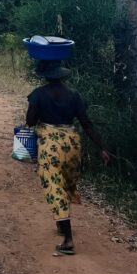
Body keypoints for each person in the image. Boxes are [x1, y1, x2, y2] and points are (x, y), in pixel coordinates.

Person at [25, 62, 110, 256]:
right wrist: (102, 148)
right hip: (72, 144)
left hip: (50, 146)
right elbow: (86, 123)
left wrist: (36, 110)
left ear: (44, 76)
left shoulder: (38, 94)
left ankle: (68, 240)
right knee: (66, 184)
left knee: (54, 187)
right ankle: (62, 226)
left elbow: (30, 121)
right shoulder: (74, 95)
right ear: (62, 76)